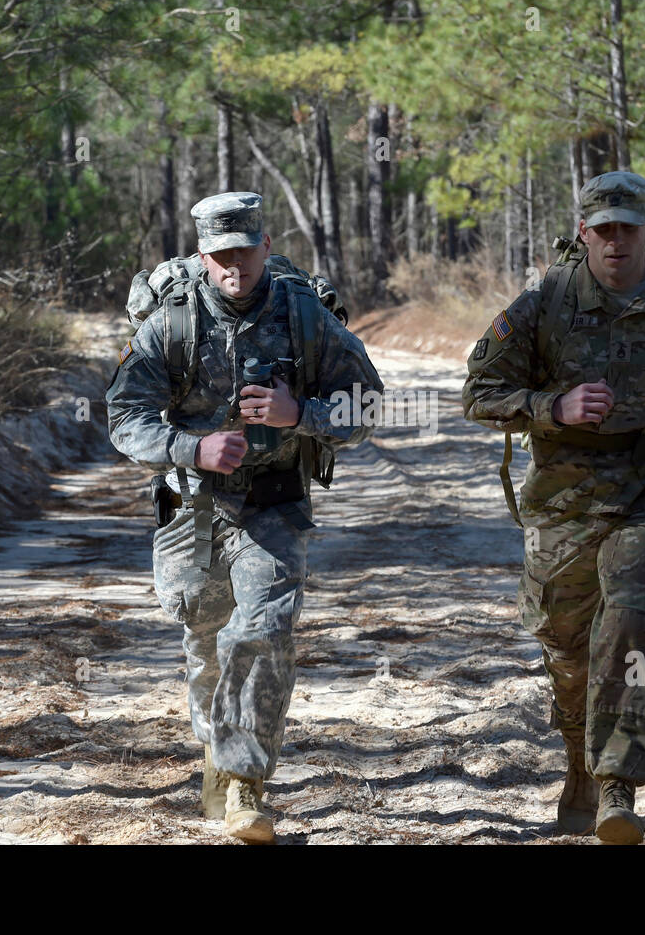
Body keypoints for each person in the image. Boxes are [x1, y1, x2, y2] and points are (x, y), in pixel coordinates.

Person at [462, 171, 645, 844]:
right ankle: (580, 760)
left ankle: (617, 783)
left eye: (630, 228)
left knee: (632, 621)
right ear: (583, 233)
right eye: (604, 230)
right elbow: (479, 389)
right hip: (562, 503)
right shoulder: (546, 301)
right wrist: (551, 406)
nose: (617, 242)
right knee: (569, 653)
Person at [105, 191, 383, 843]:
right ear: (204, 257)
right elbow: (125, 416)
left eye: (246, 253)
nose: (235, 267)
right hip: (187, 501)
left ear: (265, 247)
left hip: (274, 497)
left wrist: (301, 415)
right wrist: (192, 446)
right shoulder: (171, 322)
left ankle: (244, 784)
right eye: (221, 255)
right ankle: (217, 750)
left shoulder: (303, 315)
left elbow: (365, 402)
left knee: (260, 629)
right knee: (204, 640)